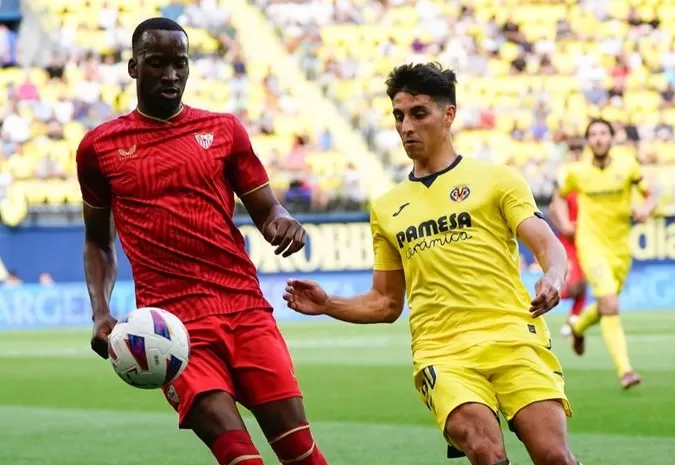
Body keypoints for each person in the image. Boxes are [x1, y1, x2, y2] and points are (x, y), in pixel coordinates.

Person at [284, 62, 581, 465]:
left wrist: (553, 276)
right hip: (442, 352)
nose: (406, 126)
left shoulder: (497, 179)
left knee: (553, 456)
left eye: (418, 113)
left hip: (514, 337)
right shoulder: (387, 208)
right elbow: (386, 302)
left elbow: (546, 242)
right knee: (485, 450)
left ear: (448, 114)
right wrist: (328, 304)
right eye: (399, 116)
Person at [76, 17, 329, 465]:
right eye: (157, 63)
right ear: (133, 68)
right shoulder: (100, 147)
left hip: (245, 310)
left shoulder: (225, 130)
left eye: (180, 63)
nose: (171, 75)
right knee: (240, 457)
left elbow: (268, 209)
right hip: (171, 329)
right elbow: (98, 242)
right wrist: (100, 312)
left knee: (300, 453)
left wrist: (283, 220)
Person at [549, 118, 659, 390]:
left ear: (611, 138)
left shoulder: (628, 166)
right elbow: (558, 198)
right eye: (593, 134)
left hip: (620, 248)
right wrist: (564, 222)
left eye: (603, 133)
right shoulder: (577, 172)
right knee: (610, 303)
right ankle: (625, 371)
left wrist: (646, 209)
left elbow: (651, 191)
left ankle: (577, 327)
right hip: (591, 245)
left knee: (607, 305)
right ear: (589, 141)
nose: (598, 138)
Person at [549, 139, 587, 337]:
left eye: (579, 150)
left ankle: (573, 320)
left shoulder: (588, 179)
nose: (576, 154)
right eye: (573, 150)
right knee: (572, 286)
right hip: (569, 241)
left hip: (586, 239)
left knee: (583, 284)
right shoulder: (565, 179)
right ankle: (541, 300)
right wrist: (564, 226)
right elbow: (553, 209)